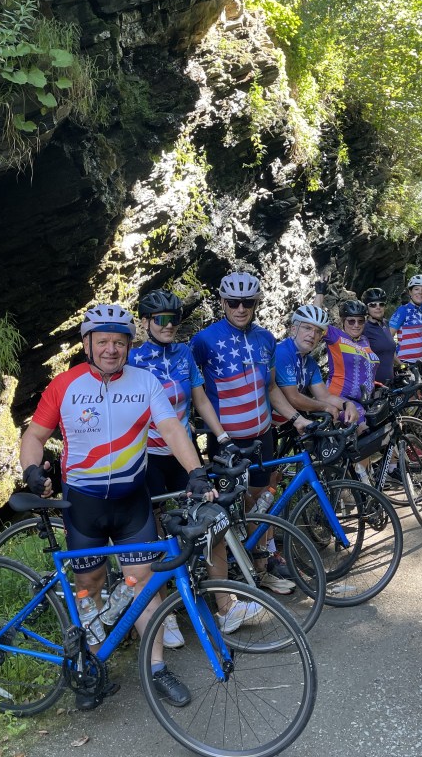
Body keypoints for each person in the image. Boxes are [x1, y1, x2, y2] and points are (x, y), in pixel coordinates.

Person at [20, 303, 205, 710]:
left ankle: (157, 669)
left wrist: (195, 471)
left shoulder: (145, 382)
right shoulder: (65, 385)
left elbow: (172, 428)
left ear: (128, 346)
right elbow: (34, 436)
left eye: (119, 342)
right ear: (87, 344)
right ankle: (91, 666)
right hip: (83, 504)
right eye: (102, 341)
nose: (111, 349)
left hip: (131, 504)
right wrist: (31, 469)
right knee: (90, 588)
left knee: (143, 585)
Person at [129, 289, 273, 641]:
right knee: (157, 535)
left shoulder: (184, 354)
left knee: (210, 520)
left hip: (185, 455)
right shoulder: (133, 360)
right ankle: (164, 617)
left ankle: (225, 606)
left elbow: (201, 400)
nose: (169, 326)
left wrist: (222, 437)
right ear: (145, 322)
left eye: (175, 319)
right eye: (161, 320)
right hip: (148, 458)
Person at [189, 271, 310, 506]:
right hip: (226, 440)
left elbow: (271, 388)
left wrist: (297, 418)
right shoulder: (203, 340)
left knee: (258, 497)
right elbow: (189, 385)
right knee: (232, 505)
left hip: (263, 437)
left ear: (256, 304)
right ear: (223, 302)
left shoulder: (266, 338)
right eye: (233, 302)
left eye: (248, 302)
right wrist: (183, 419)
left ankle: (260, 532)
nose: (241, 309)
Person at [274, 304, 359, 424]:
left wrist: (347, 404)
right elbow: (293, 398)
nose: (312, 335)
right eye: (307, 328)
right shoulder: (282, 353)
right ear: (293, 329)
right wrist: (325, 407)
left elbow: (325, 396)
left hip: (285, 423)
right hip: (263, 424)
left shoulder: (309, 362)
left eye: (318, 331)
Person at [313, 281, 379, 428]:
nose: (356, 325)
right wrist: (320, 293)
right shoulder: (336, 336)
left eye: (360, 321)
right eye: (351, 321)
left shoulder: (365, 341)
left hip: (364, 401)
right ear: (343, 321)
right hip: (340, 399)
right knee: (364, 429)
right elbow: (315, 320)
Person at [389, 275, 422, 365]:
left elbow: (417, 337)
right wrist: (398, 362)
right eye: (416, 289)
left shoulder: (420, 312)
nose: (420, 292)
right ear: (410, 292)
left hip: (419, 363)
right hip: (405, 362)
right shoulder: (403, 310)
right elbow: (388, 337)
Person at [361, 287, 397, 383]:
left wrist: (402, 364)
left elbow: (388, 351)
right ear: (366, 308)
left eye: (381, 304)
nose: (378, 307)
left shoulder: (386, 323)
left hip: (389, 384)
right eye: (373, 305)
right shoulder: (363, 328)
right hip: (372, 385)